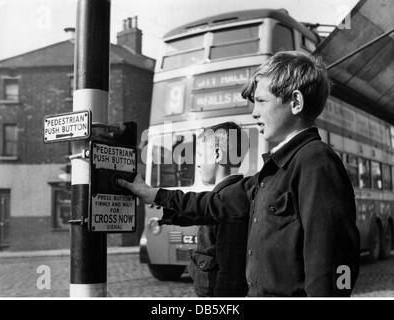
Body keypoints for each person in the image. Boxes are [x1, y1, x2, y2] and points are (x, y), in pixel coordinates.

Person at [118, 51, 360, 297]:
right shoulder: (274, 170)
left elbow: (333, 261)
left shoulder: (316, 163)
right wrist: (152, 194)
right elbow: (214, 203)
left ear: (296, 102)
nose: (254, 113)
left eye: (262, 101)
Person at [159, 122, 249, 297]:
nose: (196, 162)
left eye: (200, 154)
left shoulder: (227, 200)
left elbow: (229, 272)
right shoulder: (232, 194)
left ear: (217, 154)